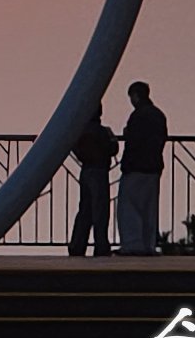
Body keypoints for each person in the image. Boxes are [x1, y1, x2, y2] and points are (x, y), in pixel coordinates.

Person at [116, 80, 167, 255]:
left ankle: (132, 244)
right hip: (153, 167)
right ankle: (148, 244)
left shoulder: (138, 116)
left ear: (135, 96)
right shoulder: (158, 115)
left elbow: (135, 141)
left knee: (130, 206)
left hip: (136, 167)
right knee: (149, 208)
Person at [67, 102, 117, 256]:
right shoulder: (103, 132)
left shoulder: (80, 132)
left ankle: (77, 245)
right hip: (100, 171)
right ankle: (101, 246)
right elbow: (113, 149)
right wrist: (113, 140)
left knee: (85, 210)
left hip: (86, 170)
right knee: (100, 210)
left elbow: (75, 148)